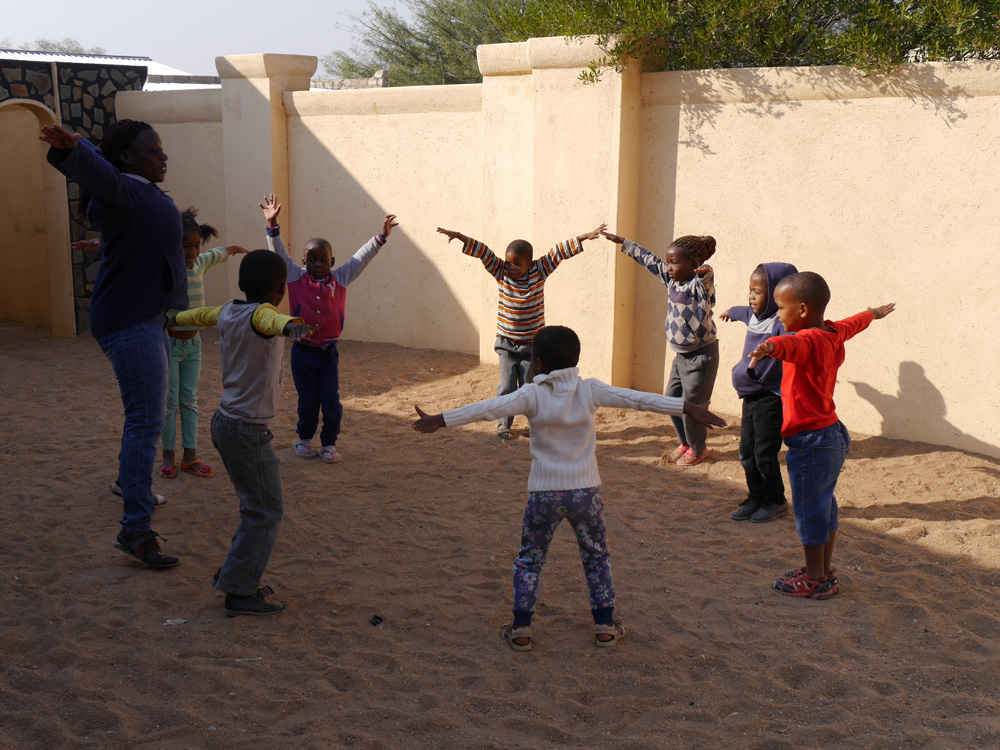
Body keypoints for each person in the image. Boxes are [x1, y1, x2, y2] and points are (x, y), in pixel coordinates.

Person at [412, 326, 726, 650]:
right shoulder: (588, 390)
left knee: (530, 559)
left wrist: (441, 419)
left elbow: (488, 408)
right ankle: (605, 626)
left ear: (536, 364)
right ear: (575, 360)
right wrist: (688, 407)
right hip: (585, 493)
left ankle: (521, 630)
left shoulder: (531, 394)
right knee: (596, 557)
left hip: (543, 494)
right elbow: (637, 400)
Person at [41, 120, 185, 568]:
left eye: (162, 150)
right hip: (129, 320)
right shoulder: (122, 186)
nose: (163, 157)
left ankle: (130, 482)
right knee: (145, 421)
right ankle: (135, 531)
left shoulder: (146, 195)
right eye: (154, 150)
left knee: (150, 417)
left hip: (148, 317)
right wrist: (74, 150)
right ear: (126, 157)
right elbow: (99, 174)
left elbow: (142, 242)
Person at [171, 250, 312, 616]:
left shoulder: (229, 310)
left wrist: (171, 318)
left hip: (225, 424)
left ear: (239, 285)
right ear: (281, 288)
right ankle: (239, 590)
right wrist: (292, 325)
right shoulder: (265, 315)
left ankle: (237, 574)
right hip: (246, 431)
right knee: (265, 512)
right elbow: (270, 320)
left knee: (256, 508)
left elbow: (197, 316)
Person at [748, 272, 894, 599]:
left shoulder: (807, 341)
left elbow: (790, 344)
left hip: (812, 441)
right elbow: (852, 323)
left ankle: (815, 578)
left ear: (801, 310)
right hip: (831, 434)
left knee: (809, 510)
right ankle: (823, 571)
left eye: (781, 309)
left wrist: (769, 346)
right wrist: (872, 313)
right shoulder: (832, 331)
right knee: (824, 506)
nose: (777, 316)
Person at [260, 194, 397, 463]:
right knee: (308, 401)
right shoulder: (295, 277)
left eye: (323, 260)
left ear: (332, 262)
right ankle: (303, 440)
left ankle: (329, 443)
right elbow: (279, 253)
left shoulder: (342, 278)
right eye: (311, 260)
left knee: (331, 401)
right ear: (303, 262)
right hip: (303, 353)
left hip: (328, 353)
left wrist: (381, 237)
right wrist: (272, 225)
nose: (317, 265)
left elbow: (361, 257)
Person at [436, 224, 605, 440]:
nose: (512, 267)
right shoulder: (501, 272)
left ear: (530, 264)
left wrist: (585, 237)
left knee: (530, 386)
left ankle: (535, 425)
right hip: (506, 344)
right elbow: (483, 251)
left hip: (531, 346)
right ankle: (503, 424)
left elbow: (559, 251)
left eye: (518, 263)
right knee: (507, 386)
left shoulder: (540, 272)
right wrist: (459, 236)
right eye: (509, 262)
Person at [602, 231, 720, 466]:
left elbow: (708, 284)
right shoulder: (671, 280)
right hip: (681, 357)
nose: (668, 267)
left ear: (694, 264)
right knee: (671, 401)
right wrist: (625, 243)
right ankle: (685, 443)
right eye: (668, 262)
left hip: (700, 357)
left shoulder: (699, 286)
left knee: (692, 407)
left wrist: (706, 273)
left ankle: (698, 449)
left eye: (674, 263)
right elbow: (649, 261)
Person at [160, 208, 249, 481]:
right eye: (185, 246)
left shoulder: (200, 263)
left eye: (196, 245)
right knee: (170, 403)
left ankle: (190, 456)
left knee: (189, 401)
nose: (192, 252)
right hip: (171, 347)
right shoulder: (166, 266)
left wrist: (233, 249)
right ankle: (168, 457)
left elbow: (217, 254)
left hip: (193, 346)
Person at [719, 262, 798, 523]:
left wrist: (776, 347)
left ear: (777, 294)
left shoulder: (780, 323)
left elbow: (793, 340)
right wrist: (731, 311)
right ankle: (755, 496)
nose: (751, 296)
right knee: (746, 452)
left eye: (757, 291)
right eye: (749, 290)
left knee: (764, 454)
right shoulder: (754, 316)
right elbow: (743, 312)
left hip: (770, 397)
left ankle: (775, 500)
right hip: (750, 394)